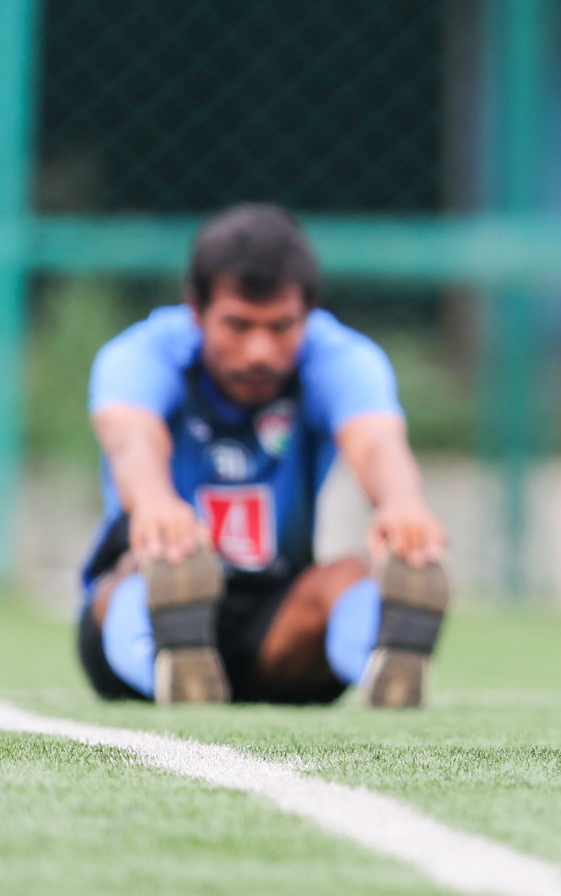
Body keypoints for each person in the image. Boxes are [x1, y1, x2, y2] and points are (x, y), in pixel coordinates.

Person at [78, 203, 450, 707]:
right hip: (155, 585)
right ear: (196, 311)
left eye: (281, 327)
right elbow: (131, 439)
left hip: (277, 624)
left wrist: (402, 504)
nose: (260, 351)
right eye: (238, 325)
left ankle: (383, 659)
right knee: (137, 577)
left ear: (309, 313)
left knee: (355, 577)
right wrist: (154, 504)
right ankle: (167, 666)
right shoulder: (141, 355)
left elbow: (376, 441)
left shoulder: (340, 357)